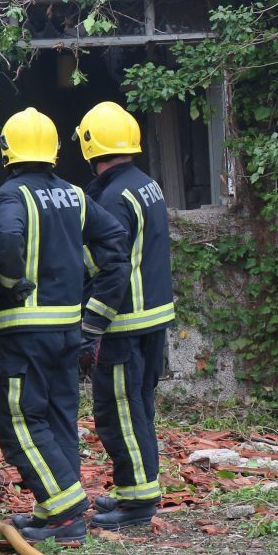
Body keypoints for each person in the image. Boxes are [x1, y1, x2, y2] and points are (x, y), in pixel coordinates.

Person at [0, 108, 128, 545]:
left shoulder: (11, 194)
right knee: (60, 419)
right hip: (69, 329)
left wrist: (10, 284)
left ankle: (66, 512)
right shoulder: (73, 194)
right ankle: (53, 514)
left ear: (8, 150)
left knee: (18, 422)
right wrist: (92, 304)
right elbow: (115, 241)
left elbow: (7, 238)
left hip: (24, 331)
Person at [74, 101, 176, 530]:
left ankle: (137, 503)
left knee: (119, 412)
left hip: (123, 324)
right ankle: (135, 490)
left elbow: (110, 269)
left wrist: (90, 325)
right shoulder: (145, 184)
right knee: (140, 408)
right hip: (152, 319)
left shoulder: (113, 198)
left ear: (89, 144)